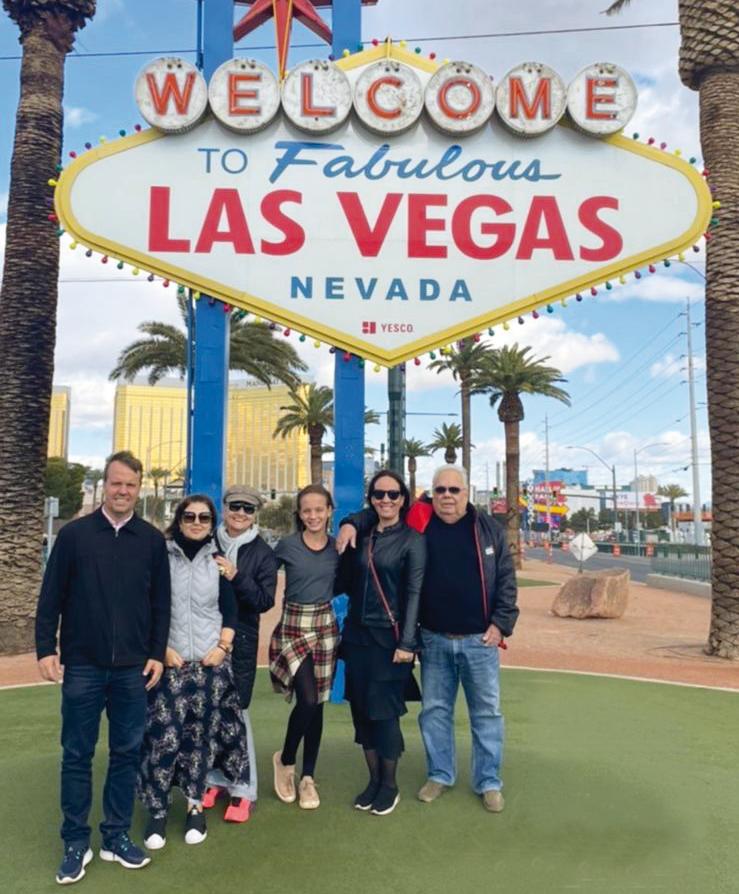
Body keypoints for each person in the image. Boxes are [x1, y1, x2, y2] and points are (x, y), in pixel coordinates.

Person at [338, 464, 518, 813]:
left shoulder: (488, 530)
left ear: (467, 492)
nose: (447, 496)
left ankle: (489, 781)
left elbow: (507, 581)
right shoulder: (419, 520)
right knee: (435, 711)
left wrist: (501, 624)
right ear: (430, 494)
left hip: (480, 640)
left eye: (454, 490)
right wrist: (348, 521)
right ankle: (440, 774)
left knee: (486, 713)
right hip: (433, 638)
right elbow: (378, 509)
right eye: (440, 490)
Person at [35, 451, 171, 885]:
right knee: (76, 754)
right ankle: (76, 841)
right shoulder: (75, 536)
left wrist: (154, 651)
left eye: (130, 484)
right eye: (115, 483)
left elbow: (160, 603)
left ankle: (114, 837)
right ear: (104, 485)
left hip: (133, 669)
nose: (122, 491)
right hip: (83, 667)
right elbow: (51, 594)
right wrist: (44, 647)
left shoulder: (151, 540)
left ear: (139, 487)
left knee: (125, 754)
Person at [137, 494, 249, 849]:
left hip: (209, 666)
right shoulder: (160, 557)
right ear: (179, 518)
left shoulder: (218, 561)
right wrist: (160, 649)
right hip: (169, 665)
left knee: (200, 740)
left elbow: (231, 611)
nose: (197, 522)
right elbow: (146, 607)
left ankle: (195, 806)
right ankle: (157, 811)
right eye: (190, 516)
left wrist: (222, 648)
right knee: (162, 738)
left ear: (211, 522)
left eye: (204, 517)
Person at [338, 470, 425, 816]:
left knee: (385, 713)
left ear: (403, 499)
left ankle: (389, 784)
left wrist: (408, 642)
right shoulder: (363, 532)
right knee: (361, 710)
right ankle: (373, 780)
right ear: (371, 499)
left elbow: (415, 592)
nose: (385, 500)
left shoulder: (413, 540)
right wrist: (348, 522)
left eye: (392, 494)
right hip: (357, 635)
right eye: (378, 494)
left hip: (390, 640)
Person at [202, 485, 278, 822]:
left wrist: (236, 576)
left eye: (248, 509)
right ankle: (215, 779)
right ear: (225, 506)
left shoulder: (263, 553)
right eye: (236, 506)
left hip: (242, 640)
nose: (241, 514)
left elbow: (264, 601)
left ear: (255, 514)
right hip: (204, 636)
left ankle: (243, 788)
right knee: (209, 710)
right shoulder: (206, 540)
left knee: (237, 712)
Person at [269, 484, 341, 810]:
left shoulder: (340, 547)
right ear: (299, 514)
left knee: (319, 703)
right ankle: (285, 760)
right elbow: (260, 571)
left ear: (329, 511)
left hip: (325, 627)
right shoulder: (286, 546)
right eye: (306, 510)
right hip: (294, 627)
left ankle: (308, 777)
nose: (313, 515)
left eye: (319, 509)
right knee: (308, 699)